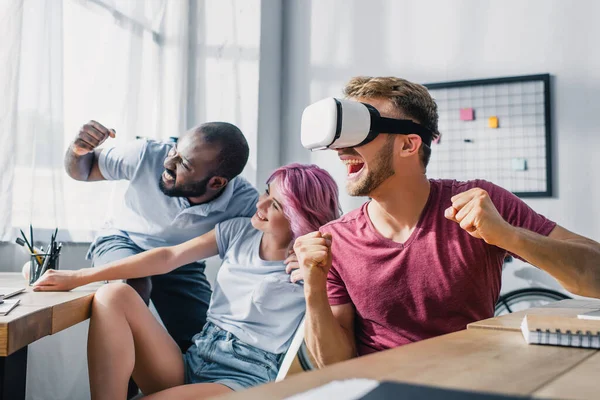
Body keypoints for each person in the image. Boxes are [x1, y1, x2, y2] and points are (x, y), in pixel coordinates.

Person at [291, 76, 600, 368]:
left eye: (360, 131)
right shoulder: (334, 241)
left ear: (409, 145)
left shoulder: (479, 202)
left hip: (466, 382)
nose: (341, 150)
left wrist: (508, 236)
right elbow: (334, 363)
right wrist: (313, 289)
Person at [34, 163, 341, 399]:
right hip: (198, 356)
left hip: (243, 378)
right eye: (266, 193)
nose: (259, 206)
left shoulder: (312, 265)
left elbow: (326, 342)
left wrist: (315, 276)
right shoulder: (237, 231)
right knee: (113, 295)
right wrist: (77, 276)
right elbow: (168, 256)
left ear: (298, 216)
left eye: (274, 205)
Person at [64, 120, 258, 351]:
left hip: (181, 261)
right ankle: (126, 386)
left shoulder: (244, 203)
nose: (168, 163)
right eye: (174, 152)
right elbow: (83, 171)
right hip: (125, 239)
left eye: (183, 164)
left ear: (216, 182)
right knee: (130, 288)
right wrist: (78, 150)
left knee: (203, 343)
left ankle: (177, 386)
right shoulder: (147, 154)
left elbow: (278, 238)